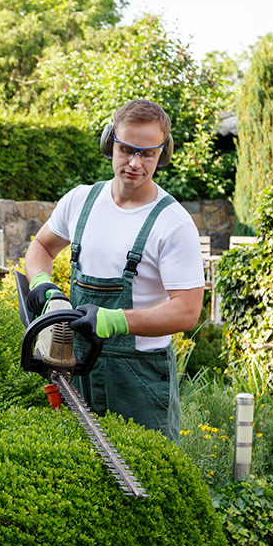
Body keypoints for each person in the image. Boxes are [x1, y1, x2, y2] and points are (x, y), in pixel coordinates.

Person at [23, 99, 204, 445]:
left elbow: (187, 310)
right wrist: (42, 283)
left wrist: (116, 320)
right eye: (126, 150)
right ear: (110, 144)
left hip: (138, 379)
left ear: (162, 154)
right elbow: (41, 247)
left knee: (148, 478)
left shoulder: (173, 222)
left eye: (147, 154)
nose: (135, 163)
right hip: (75, 366)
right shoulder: (80, 201)